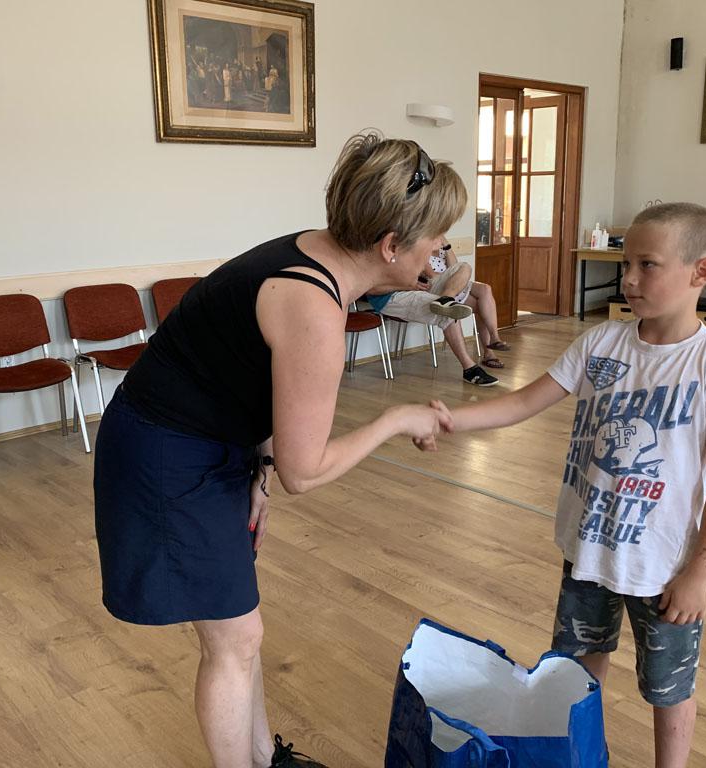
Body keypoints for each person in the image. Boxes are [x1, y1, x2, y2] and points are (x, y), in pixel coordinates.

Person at [93, 132, 464, 768]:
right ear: (390, 245)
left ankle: (267, 758)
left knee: (241, 626)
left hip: (209, 440)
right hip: (165, 453)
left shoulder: (318, 254)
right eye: (437, 239)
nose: (442, 252)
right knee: (234, 639)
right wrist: (396, 418)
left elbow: (252, 376)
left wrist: (257, 468)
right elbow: (306, 470)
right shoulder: (313, 303)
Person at [419, 202, 706, 768]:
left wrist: (700, 574)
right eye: (626, 264)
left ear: (701, 272)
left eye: (647, 265)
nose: (629, 279)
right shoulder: (601, 343)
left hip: (664, 568)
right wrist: (451, 419)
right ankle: (582, 757)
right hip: (590, 550)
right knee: (576, 676)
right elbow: (524, 402)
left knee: (668, 689)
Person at [366, 253, 499, 386]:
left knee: (464, 267)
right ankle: (469, 369)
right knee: (448, 312)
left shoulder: (404, 245)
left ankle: (445, 298)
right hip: (391, 297)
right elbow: (371, 289)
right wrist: (408, 285)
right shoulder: (373, 252)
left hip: (417, 286)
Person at [428, 240, 509, 369]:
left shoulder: (441, 247)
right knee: (481, 306)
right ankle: (489, 351)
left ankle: (495, 338)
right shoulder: (421, 248)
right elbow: (433, 277)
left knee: (485, 289)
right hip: (439, 289)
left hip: (456, 284)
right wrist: (454, 279)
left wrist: (446, 244)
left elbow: (455, 267)